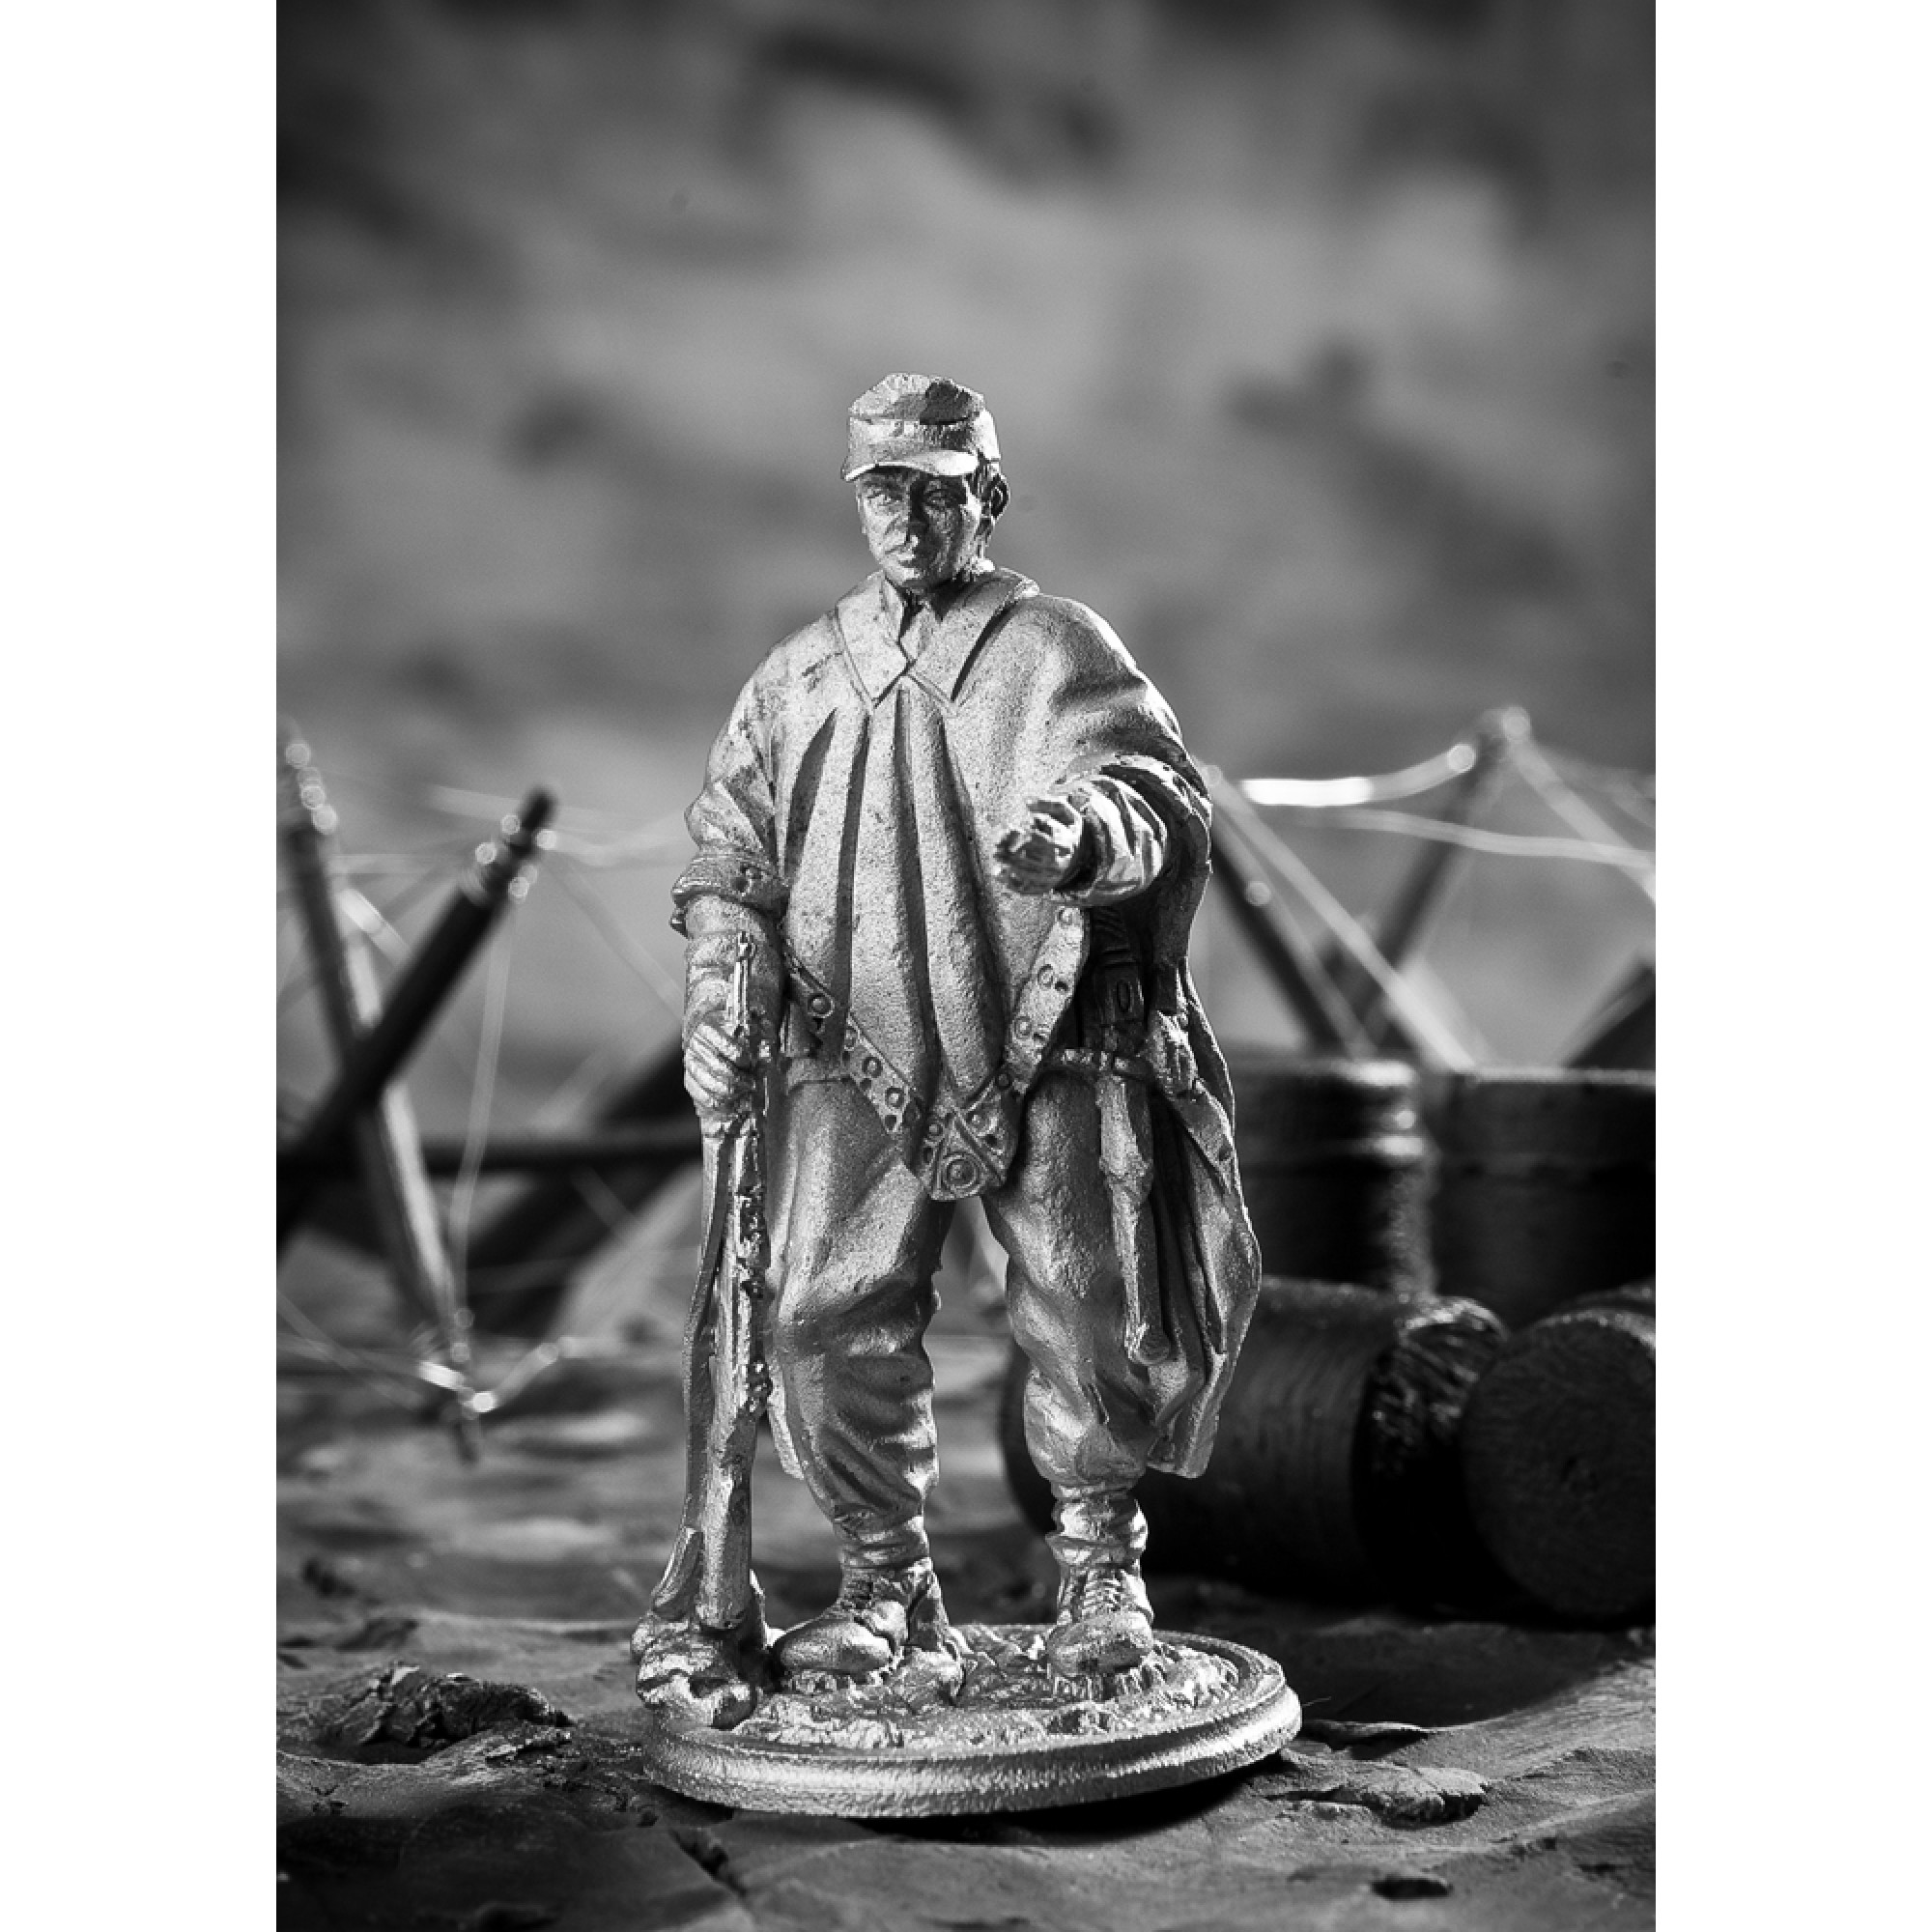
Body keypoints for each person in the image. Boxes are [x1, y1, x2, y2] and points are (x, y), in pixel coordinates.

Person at [675, 373, 1260, 1682]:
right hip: (850, 1043)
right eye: (881, 491)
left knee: (1086, 1304)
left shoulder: (1054, 649)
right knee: (816, 1316)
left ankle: (1101, 1569)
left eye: (934, 493)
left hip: (1046, 1035)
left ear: (987, 497)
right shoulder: (798, 674)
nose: (904, 518)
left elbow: (1149, 788)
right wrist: (723, 984)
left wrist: (1082, 835)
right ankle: (884, 1582)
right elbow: (730, 854)